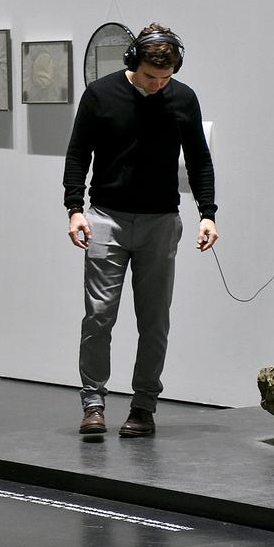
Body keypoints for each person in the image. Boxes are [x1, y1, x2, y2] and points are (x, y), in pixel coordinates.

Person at [62, 23, 218, 437]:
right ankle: (93, 403)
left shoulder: (183, 99)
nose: (157, 85)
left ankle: (143, 407)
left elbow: (200, 160)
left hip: (161, 222)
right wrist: (74, 209)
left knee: (154, 320)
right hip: (106, 217)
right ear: (133, 61)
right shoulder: (99, 95)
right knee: (98, 316)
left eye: (165, 78)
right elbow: (78, 154)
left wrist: (208, 212)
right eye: (150, 76)